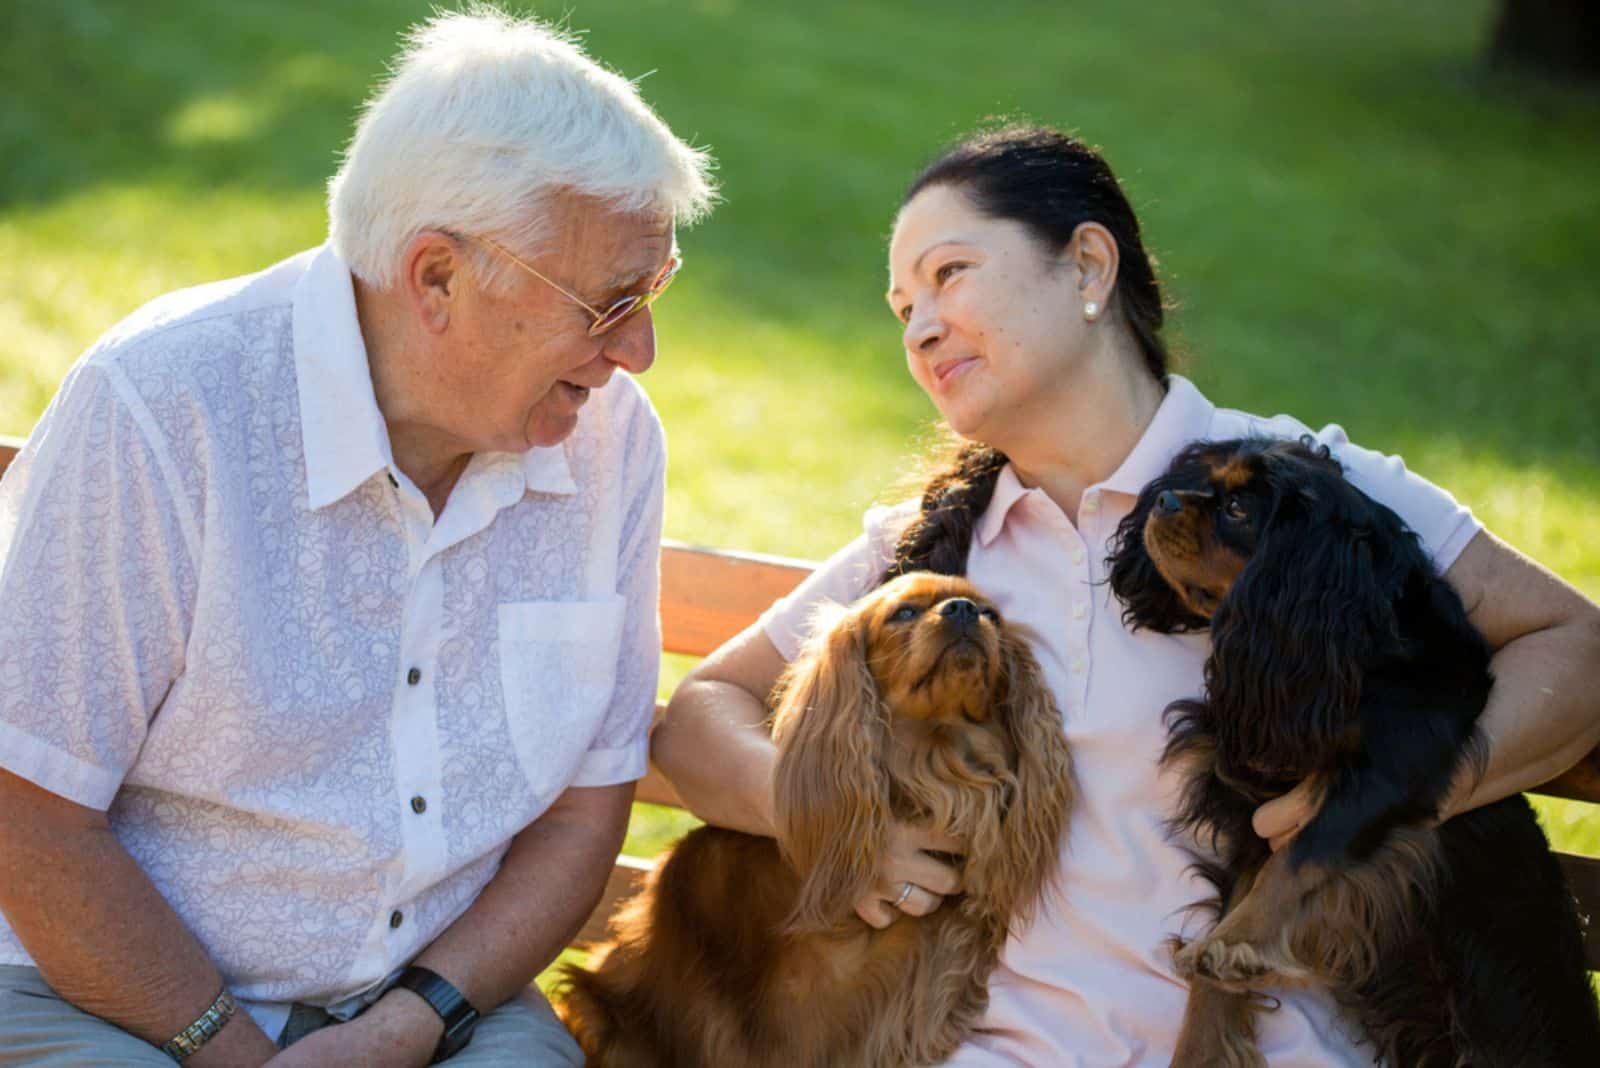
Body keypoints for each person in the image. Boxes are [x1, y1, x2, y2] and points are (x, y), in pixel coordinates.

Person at [653, 125, 1600, 1065]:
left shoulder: (1294, 494)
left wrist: (1384, 799)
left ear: (1088, 267)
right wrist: (831, 821)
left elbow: (1576, 643)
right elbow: (703, 712)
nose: (920, 327)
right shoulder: (931, 546)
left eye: (949, 275)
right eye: (902, 307)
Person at [0, 9, 713, 1067]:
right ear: (436, 278)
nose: (641, 351)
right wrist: (228, 1048)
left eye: (653, 290)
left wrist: (410, 1023)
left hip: (434, 1008)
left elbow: (577, 817)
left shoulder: (610, 440)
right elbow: (30, 818)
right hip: (107, 995)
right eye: (609, 303)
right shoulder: (167, 404)